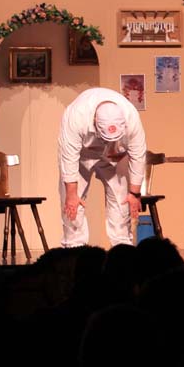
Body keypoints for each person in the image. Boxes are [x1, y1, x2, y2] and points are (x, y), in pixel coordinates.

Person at [58, 87, 147, 247]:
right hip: (82, 155)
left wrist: (134, 193)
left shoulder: (131, 118)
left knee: (121, 204)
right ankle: (74, 248)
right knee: (73, 206)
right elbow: (69, 157)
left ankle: (122, 248)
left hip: (115, 153)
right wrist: (71, 194)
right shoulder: (76, 116)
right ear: (94, 121)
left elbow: (138, 155)